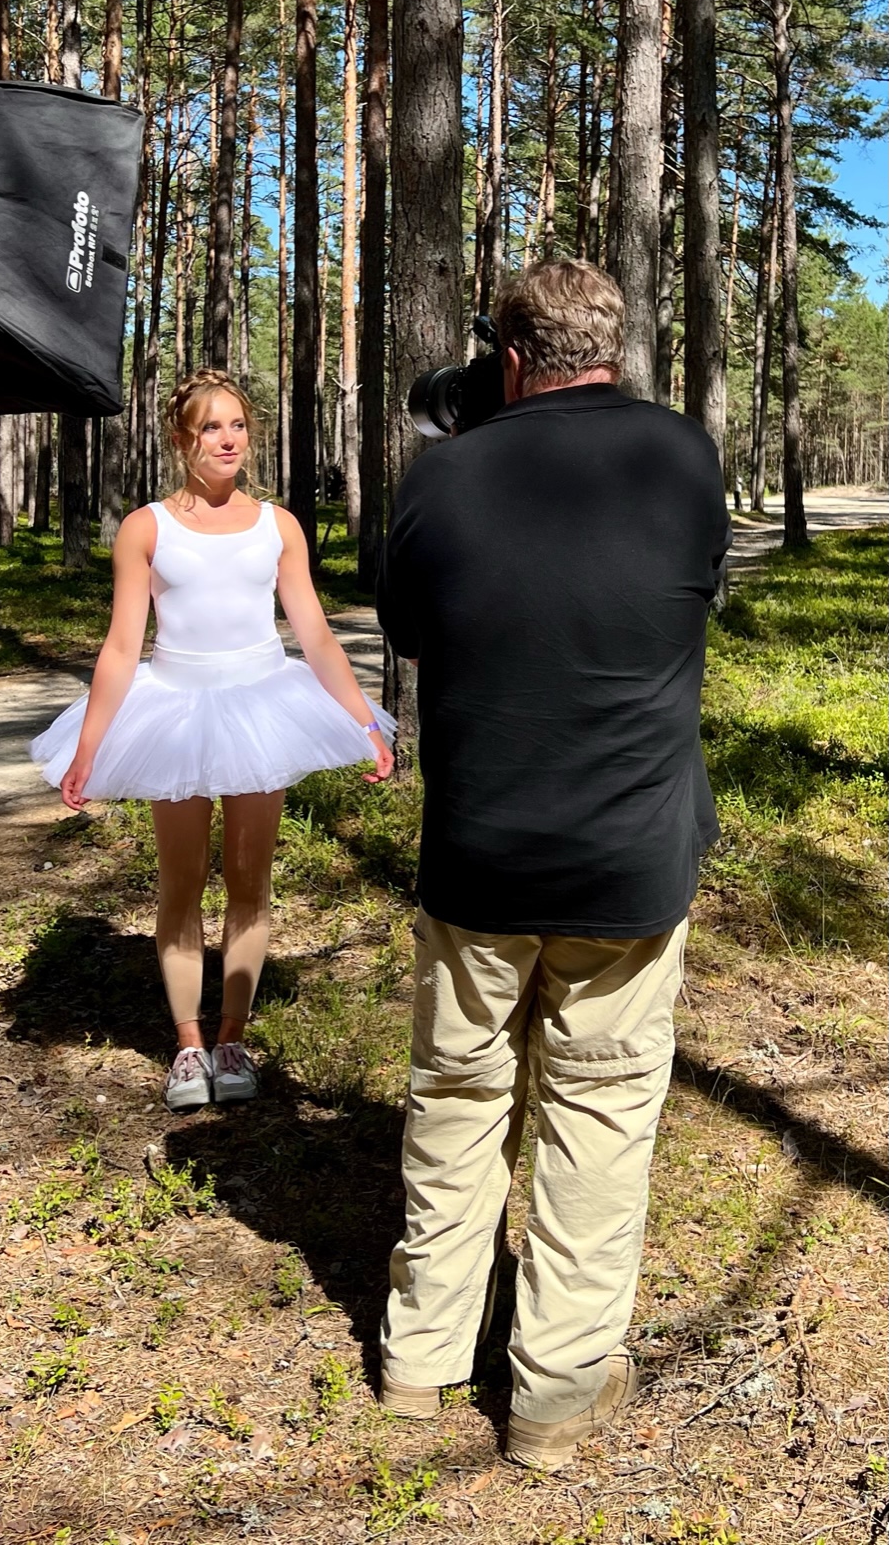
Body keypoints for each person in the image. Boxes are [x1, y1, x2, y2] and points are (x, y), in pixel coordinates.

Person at [375, 260, 731, 1470]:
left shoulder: (440, 475)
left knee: (457, 1096)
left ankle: (423, 1356)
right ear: (613, 350)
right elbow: (688, 595)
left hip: (479, 853)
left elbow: (410, 628)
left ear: (512, 358)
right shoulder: (682, 457)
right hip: (630, 859)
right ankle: (556, 1393)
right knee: (600, 1114)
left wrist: (469, 447)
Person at [32, 369, 394, 1111]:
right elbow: (121, 647)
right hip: (175, 713)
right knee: (182, 882)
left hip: (262, 709)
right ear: (182, 439)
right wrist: (89, 748)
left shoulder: (278, 526)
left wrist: (364, 719)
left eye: (237, 426)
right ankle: (188, 1045)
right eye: (210, 428)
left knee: (249, 881)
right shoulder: (146, 528)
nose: (227, 440)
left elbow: (316, 635)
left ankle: (232, 1038)